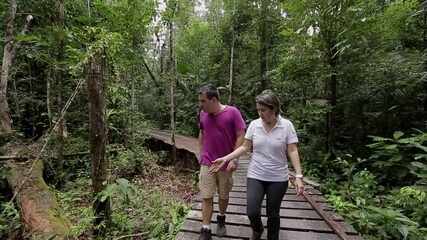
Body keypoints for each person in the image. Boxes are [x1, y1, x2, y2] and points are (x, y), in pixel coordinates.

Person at [209, 90, 304, 240]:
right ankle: (258, 229)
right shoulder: (254, 125)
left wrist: (298, 176)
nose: (260, 113)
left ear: (273, 109)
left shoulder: (286, 126)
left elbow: (292, 150)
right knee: (252, 211)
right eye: (258, 109)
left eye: (263, 110)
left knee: (273, 214)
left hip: (278, 178)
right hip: (256, 174)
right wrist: (226, 158)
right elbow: (245, 147)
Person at [197, 84, 246, 240]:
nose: (201, 104)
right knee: (206, 195)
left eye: (203, 101)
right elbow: (202, 133)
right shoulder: (203, 114)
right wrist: (201, 153)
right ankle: (205, 229)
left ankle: (221, 218)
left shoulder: (232, 113)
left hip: (226, 163)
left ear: (214, 99)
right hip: (207, 162)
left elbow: (241, 135)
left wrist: (234, 158)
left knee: (223, 195)